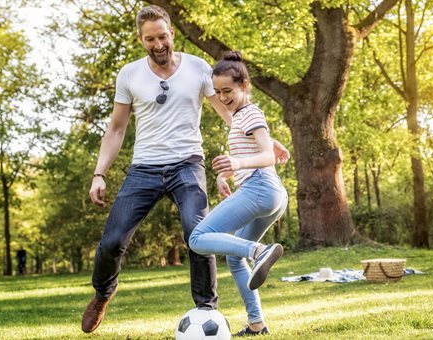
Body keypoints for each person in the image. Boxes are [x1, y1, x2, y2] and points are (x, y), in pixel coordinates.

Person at [81, 5, 290, 334]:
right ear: (141, 40)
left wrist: (265, 140)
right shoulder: (129, 75)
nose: (158, 43)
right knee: (112, 241)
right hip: (144, 168)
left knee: (200, 232)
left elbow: (230, 110)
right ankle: (103, 293)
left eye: (163, 36)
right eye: (150, 39)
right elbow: (116, 129)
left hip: (187, 164)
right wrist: (99, 174)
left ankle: (206, 308)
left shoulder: (198, 68)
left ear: (172, 34)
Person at [188, 51, 288, 337]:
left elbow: (267, 155)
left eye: (228, 90)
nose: (221, 97)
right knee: (234, 259)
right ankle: (257, 323)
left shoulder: (251, 113)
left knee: (197, 238)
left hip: (260, 188)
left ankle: (260, 251)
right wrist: (224, 174)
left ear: (244, 86)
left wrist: (239, 164)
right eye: (217, 92)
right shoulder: (240, 117)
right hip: (271, 195)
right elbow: (254, 149)